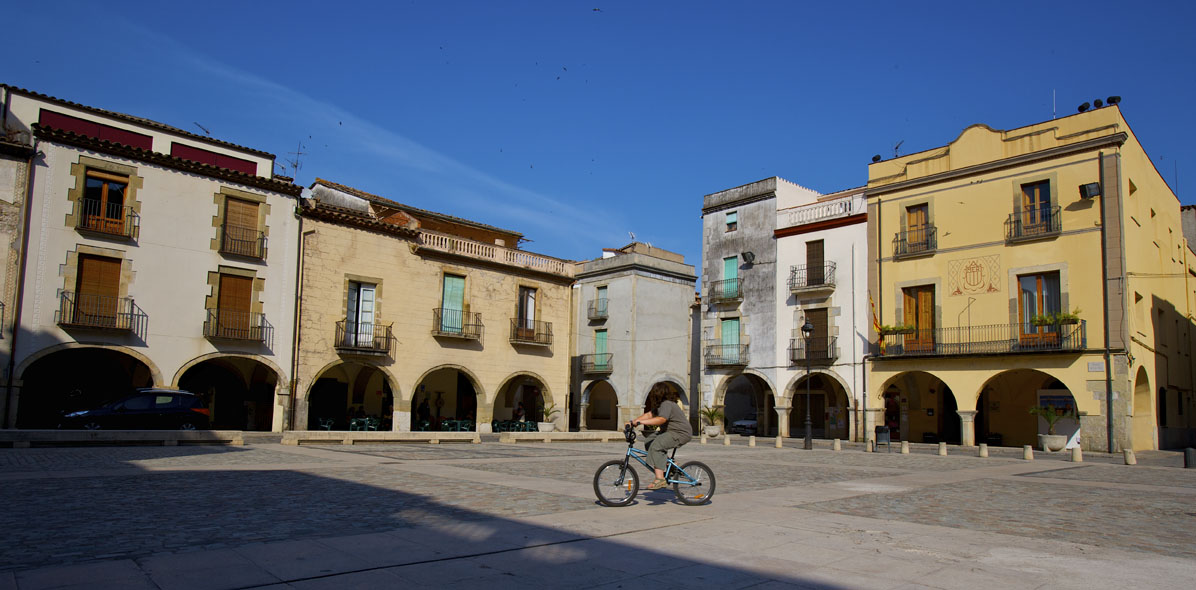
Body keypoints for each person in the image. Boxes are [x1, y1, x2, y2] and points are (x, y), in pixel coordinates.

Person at [625, 383, 692, 490]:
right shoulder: (661, 406)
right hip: (670, 432)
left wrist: (640, 422)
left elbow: (661, 419)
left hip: (680, 433)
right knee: (649, 441)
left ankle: (660, 479)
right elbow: (649, 414)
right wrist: (633, 421)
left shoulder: (667, 404)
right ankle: (670, 465)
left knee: (657, 446)